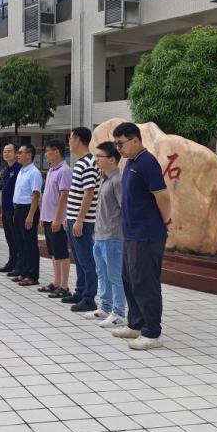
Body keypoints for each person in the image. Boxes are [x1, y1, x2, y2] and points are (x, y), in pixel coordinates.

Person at [111, 123, 171, 350]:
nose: (118, 148)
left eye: (121, 143)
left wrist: (165, 221)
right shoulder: (130, 163)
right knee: (130, 280)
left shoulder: (147, 162)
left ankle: (152, 333)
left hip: (146, 234)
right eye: (116, 144)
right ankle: (136, 324)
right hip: (130, 233)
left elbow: (162, 196)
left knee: (146, 282)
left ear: (135, 140)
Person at [87, 142, 127, 329]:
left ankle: (118, 313)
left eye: (99, 156)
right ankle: (106, 307)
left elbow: (125, 209)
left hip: (113, 237)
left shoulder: (118, 181)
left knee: (114, 276)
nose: (96, 160)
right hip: (100, 236)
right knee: (102, 273)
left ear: (112, 160)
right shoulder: (104, 179)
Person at [61, 127, 100, 310]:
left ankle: (89, 298)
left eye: (70, 138)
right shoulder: (80, 163)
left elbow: (89, 193)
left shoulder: (89, 163)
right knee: (78, 259)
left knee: (87, 261)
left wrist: (79, 220)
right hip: (74, 218)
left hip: (82, 221)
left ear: (78, 140)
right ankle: (80, 291)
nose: (69, 142)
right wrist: (69, 217)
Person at [40, 140, 75, 298]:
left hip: (57, 219)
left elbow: (64, 195)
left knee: (62, 253)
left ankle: (64, 286)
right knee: (53, 252)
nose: (46, 154)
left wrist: (57, 218)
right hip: (48, 218)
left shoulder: (64, 170)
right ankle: (56, 282)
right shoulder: (51, 170)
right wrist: (43, 216)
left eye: (48, 151)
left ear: (56, 152)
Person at [11, 144, 43, 286]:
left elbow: (36, 195)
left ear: (29, 155)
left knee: (30, 243)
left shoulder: (34, 172)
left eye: (20, 152)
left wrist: (30, 216)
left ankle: (32, 275)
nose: (17, 155)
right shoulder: (22, 170)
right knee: (21, 243)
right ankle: (24, 271)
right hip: (18, 209)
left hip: (28, 210)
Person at [0, 144, 21, 275]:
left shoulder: (19, 169)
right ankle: (11, 263)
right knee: (9, 238)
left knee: (16, 239)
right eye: (4, 151)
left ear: (16, 153)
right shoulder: (6, 170)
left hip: (14, 209)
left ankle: (18, 265)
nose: (6, 154)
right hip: (5, 209)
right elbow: (3, 190)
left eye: (9, 151)